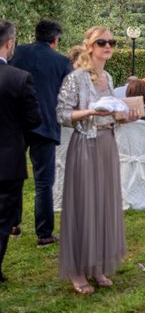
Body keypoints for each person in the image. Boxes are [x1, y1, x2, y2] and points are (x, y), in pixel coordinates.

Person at [56, 26, 136, 294]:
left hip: (107, 144)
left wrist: (125, 116)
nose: (108, 46)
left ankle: (96, 266)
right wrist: (90, 110)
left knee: (103, 204)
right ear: (90, 46)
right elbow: (63, 115)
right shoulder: (76, 78)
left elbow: (112, 113)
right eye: (102, 42)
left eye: (112, 41)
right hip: (85, 146)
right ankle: (77, 271)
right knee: (84, 204)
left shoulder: (109, 77)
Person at [8, 19, 72, 246]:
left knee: (13, 175)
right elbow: (67, 95)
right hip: (45, 122)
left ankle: (12, 223)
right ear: (55, 39)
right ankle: (44, 233)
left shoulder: (18, 53)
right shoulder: (62, 61)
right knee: (44, 181)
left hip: (15, 122)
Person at [0, 20, 42, 282]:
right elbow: (34, 120)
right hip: (7, 159)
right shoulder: (18, 78)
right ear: (9, 43)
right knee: (3, 217)